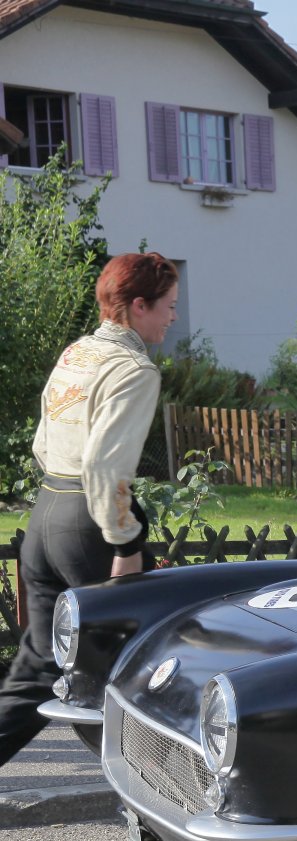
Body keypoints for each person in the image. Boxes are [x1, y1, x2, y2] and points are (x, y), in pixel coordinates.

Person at [0, 252, 176, 769]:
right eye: (168, 305)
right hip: (91, 528)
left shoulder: (77, 355)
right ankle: (172, 795)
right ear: (139, 306)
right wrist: (124, 542)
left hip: (46, 517)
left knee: (39, 671)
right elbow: (104, 466)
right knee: (154, 654)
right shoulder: (133, 369)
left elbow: (42, 442)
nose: (173, 316)